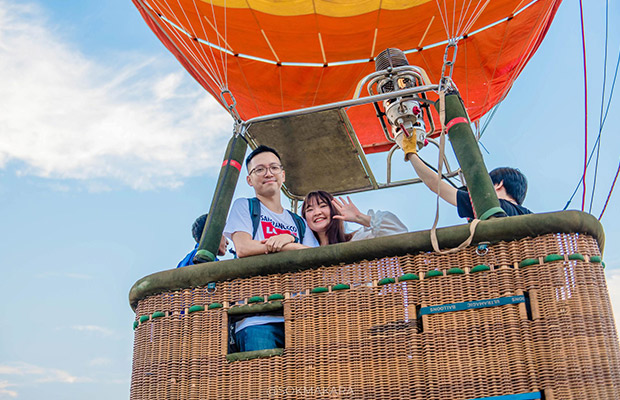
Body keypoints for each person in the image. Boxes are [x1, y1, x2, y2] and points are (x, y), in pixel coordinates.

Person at [223, 145, 319, 352]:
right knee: (262, 382)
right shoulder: (245, 206)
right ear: (250, 180)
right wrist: (285, 245)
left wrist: (288, 238)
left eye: (274, 167)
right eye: (259, 169)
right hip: (257, 317)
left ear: (282, 175)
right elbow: (243, 247)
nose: (268, 173)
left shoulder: (298, 222)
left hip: (297, 315)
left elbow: (312, 257)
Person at [396, 133, 532, 220]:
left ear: (498, 184)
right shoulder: (528, 216)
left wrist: (411, 153)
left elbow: (435, 185)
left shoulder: (490, 206)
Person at [302, 190, 407, 246]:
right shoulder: (304, 250)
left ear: (335, 210)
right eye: (309, 209)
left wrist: (359, 217)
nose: (317, 212)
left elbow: (398, 234)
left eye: (323, 206)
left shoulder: (356, 240)